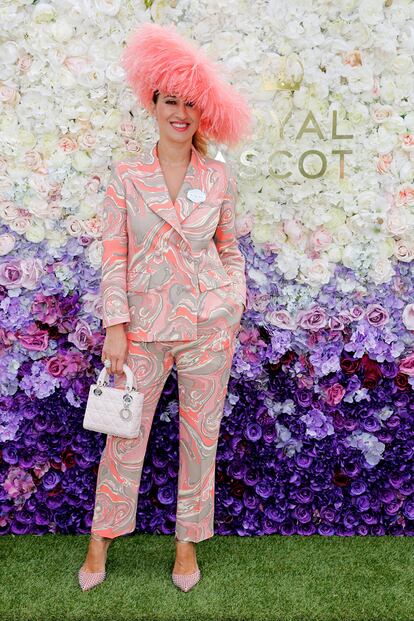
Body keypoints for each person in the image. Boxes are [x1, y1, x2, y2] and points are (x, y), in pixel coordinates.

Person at [78, 22, 253, 593]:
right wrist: (116, 327)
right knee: (124, 436)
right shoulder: (127, 176)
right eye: (170, 100)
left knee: (201, 439)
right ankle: (100, 541)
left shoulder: (219, 178)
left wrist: (231, 301)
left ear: (204, 114)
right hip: (144, 330)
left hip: (208, 328)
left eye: (191, 103)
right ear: (153, 104)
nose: (181, 111)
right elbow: (112, 255)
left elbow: (229, 249)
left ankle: (186, 547)